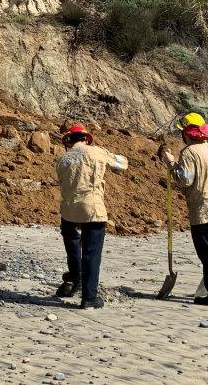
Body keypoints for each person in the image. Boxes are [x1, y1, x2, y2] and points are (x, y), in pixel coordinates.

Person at [160, 112, 208, 307]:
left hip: (204, 211)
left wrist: (170, 163)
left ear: (187, 134)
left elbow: (185, 178)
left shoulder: (190, 153)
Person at [55, 124, 128, 309]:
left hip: (69, 210)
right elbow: (122, 165)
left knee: (72, 246)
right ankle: (89, 298)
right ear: (86, 138)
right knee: (91, 253)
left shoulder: (63, 159)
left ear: (68, 141)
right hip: (92, 208)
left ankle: (76, 278)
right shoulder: (97, 152)